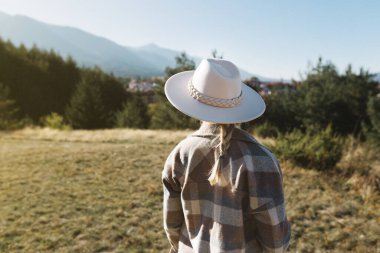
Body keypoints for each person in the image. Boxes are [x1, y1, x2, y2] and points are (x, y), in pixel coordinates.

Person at [162, 58, 291, 252]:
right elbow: (275, 241)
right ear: (238, 105)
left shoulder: (180, 154)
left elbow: (172, 226)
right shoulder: (263, 160)